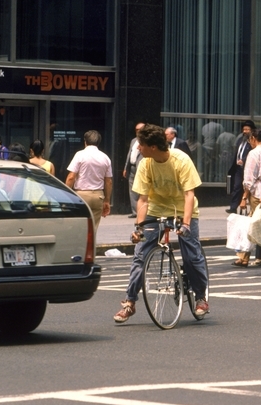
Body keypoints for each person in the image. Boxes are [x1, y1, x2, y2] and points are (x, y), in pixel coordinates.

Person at [113, 124, 209, 323]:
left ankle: (200, 297)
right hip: (156, 209)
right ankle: (130, 302)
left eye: (141, 144)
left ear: (153, 147)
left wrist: (186, 224)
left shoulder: (181, 160)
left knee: (192, 256)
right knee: (140, 256)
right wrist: (139, 228)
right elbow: (143, 199)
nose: (138, 147)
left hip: (182, 210)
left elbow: (189, 194)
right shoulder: (145, 164)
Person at [235, 128, 261, 267]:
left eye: (250, 139)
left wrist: (244, 197)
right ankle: (243, 256)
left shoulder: (253, 153)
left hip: (257, 192)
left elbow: (249, 178)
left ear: (253, 138)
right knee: (251, 222)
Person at [65, 130, 113, 236]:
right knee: (93, 229)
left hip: (81, 196)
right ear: (98, 142)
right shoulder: (105, 157)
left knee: (79, 226)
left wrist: (65, 194)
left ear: (85, 141)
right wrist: (107, 200)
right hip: (98, 196)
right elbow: (108, 181)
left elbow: (71, 177)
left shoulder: (80, 155)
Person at [226, 121, 254, 213]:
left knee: (249, 188)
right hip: (238, 168)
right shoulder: (240, 140)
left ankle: (251, 208)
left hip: (248, 168)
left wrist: (244, 160)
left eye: (247, 129)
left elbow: (252, 153)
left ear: (252, 130)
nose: (245, 131)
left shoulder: (253, 141)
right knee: (237, 187)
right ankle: (233, 207)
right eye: (244, 129)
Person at [122, 122, 145, 217]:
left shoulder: (147, 141)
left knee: (141, 190)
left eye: (139, 129)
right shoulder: (133, 141)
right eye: (136, 130)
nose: (137, 131)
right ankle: (135, 212)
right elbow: (129, 154)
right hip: (132, 167)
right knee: (132, 190)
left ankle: (142, 211)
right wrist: (125, 168)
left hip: (142, 168)